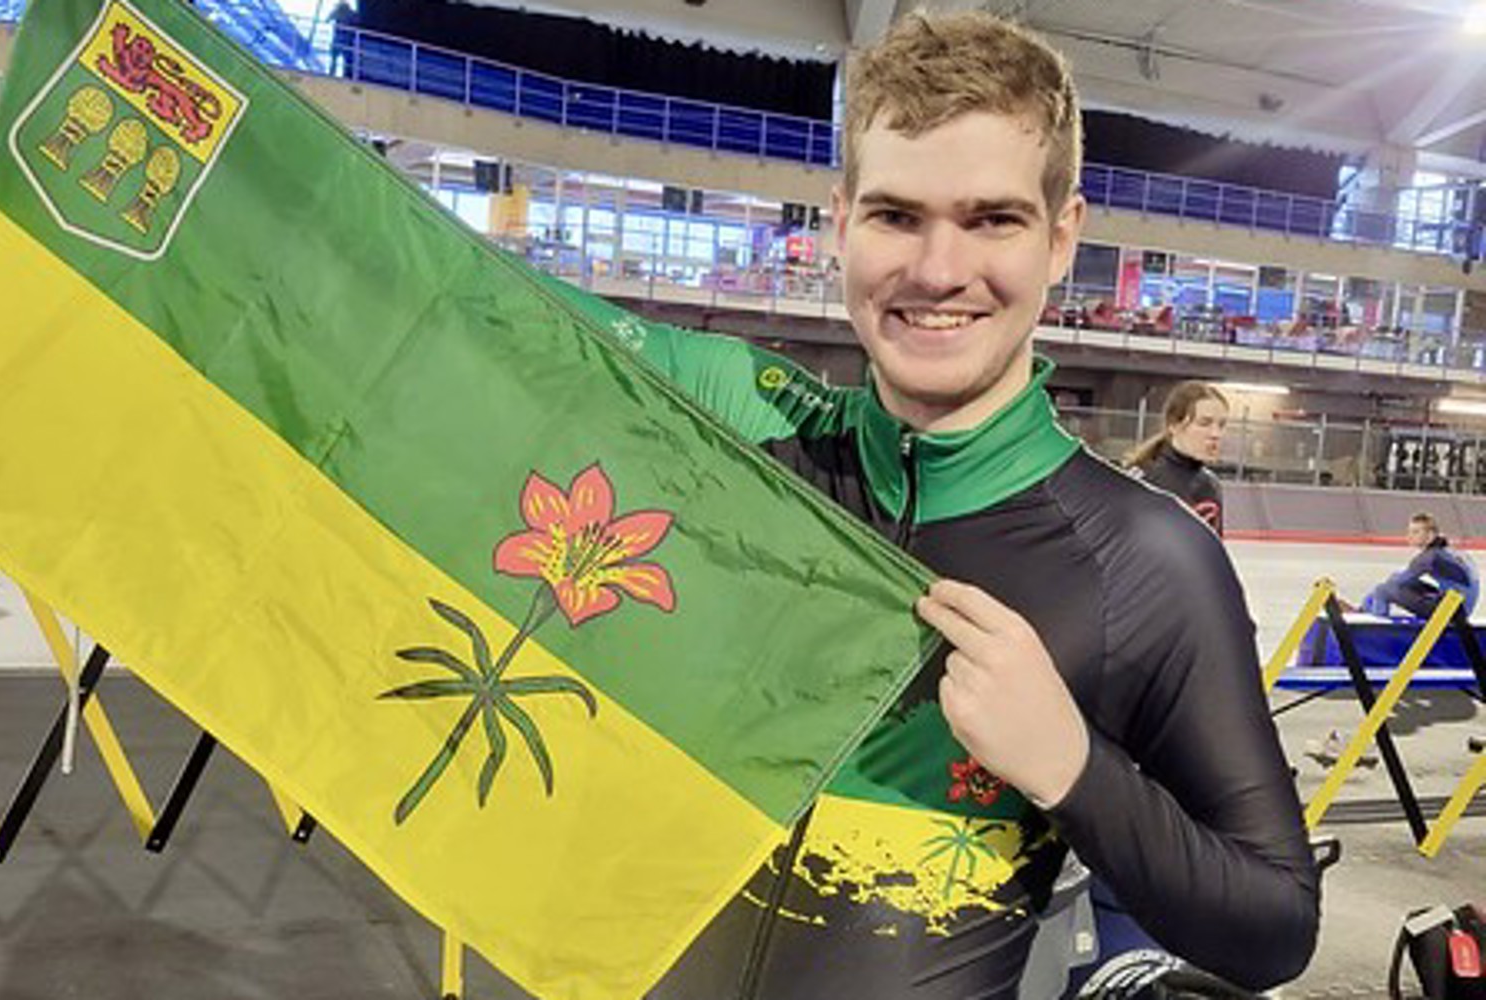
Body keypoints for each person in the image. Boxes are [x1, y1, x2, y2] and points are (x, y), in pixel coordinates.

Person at [546, 11, 1318, 998]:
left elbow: (1275, 929)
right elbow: (459, 309)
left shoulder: (1142, 561)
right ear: (838, 223)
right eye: (895, 215)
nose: (938, 270)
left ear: (1060, 238)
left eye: (992, 218)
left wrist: (1071, 766)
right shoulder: (739, 430)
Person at [1125, 380, 1228, 534]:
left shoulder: (1211, 485)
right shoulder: (1141, 479)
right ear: (1173, 425)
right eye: (1204, 423)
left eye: (1221, 425)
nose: (1215, 434)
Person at [1359, 511, 1479, 619]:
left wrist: (1371, 598)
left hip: (1452, 611)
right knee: (1397, 582)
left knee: (1383, 590)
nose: (1409, 536)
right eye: (1409, 532)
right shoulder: (1448, 551)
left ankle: (1377, 626)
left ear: (1431, 535)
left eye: (1415, 532)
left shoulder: (1428, 558)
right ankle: (1364, 611)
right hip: (1461, 606)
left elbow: (1397, 582)